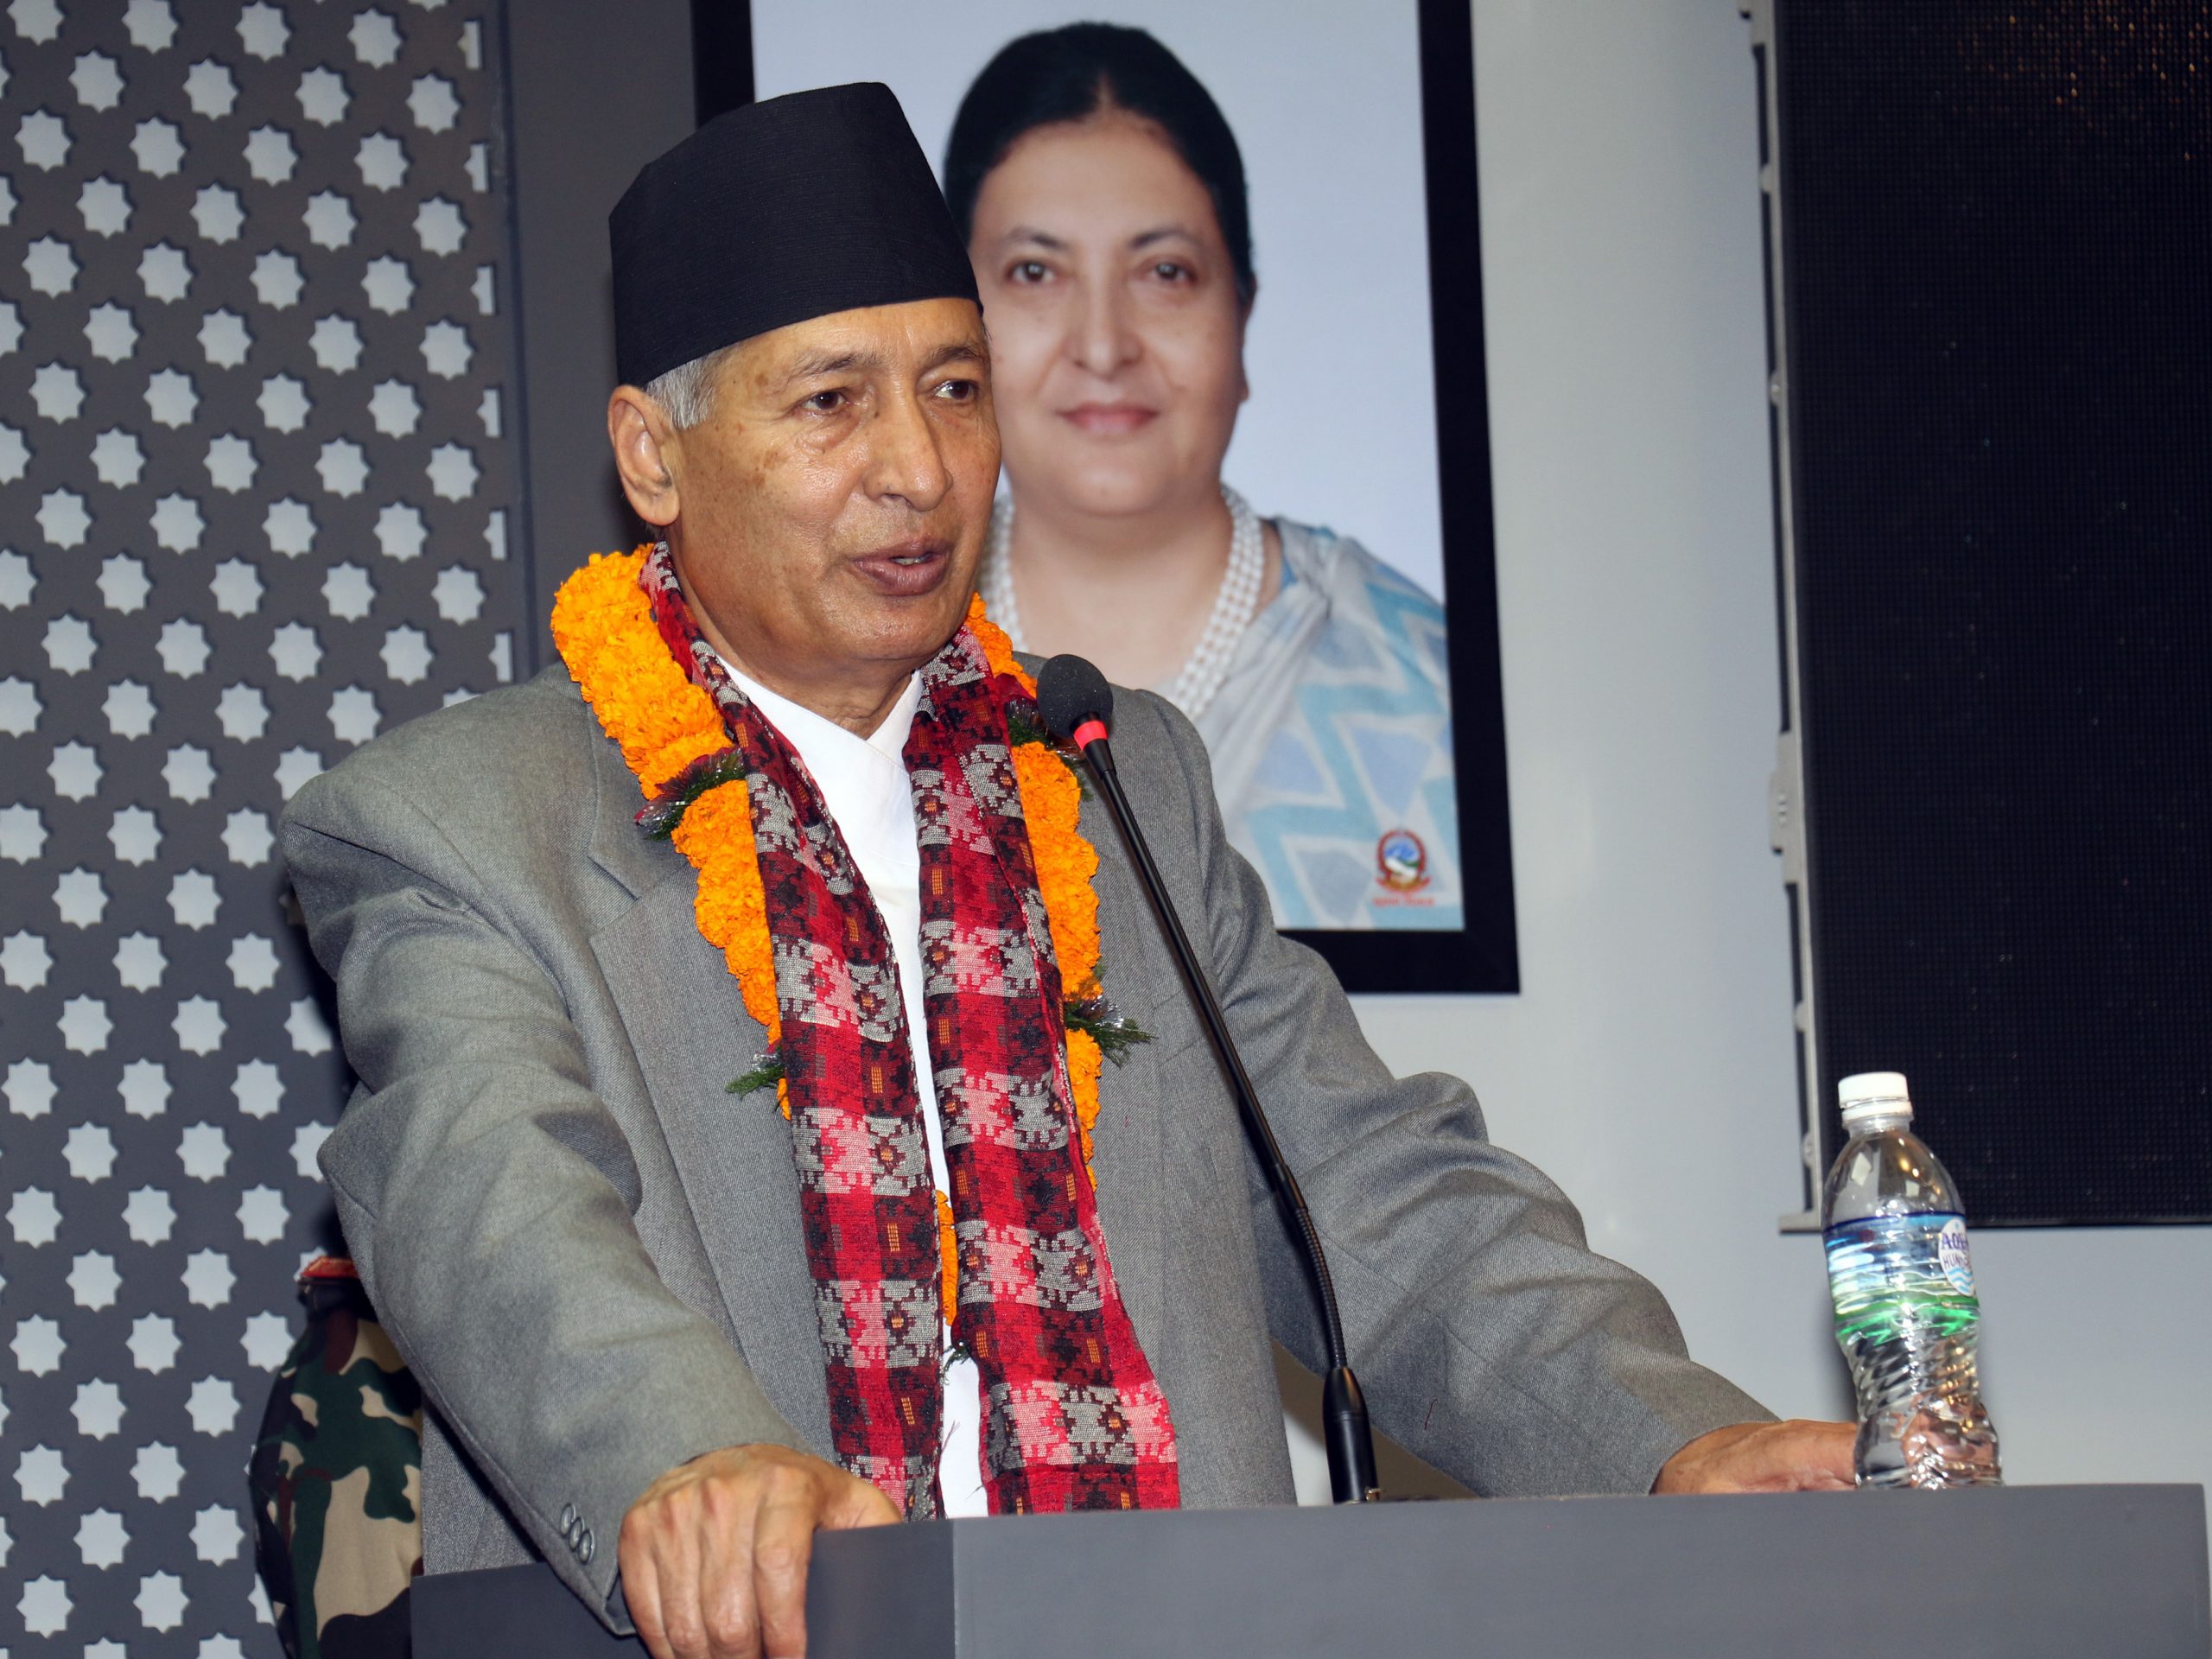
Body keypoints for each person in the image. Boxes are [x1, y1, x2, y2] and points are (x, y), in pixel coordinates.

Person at [283, 83, 1849, 1659]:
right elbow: (488, 1204)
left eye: (956, 388)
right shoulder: (459, 821)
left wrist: (1675, 1439)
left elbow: (1366, 1191)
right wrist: (683, 1459)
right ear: (653, 453)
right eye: (831, 402)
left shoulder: (1113, 774)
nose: (920, 468)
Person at [945, 23, 1460, 931]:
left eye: (1165, 272)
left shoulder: (1429, 695)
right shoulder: (868, 674)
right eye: (1034, 271)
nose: (1103, 345)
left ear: (1243, 312)